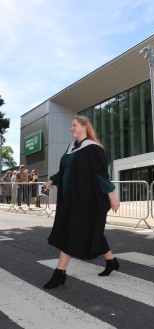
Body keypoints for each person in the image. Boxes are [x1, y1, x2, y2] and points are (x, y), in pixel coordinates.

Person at [42, 115, 120, 289]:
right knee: (89, 231)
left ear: (84, 127)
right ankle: (111, 261)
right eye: (71, 126)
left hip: (86, 198)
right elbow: (63, 171)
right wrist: (51, 181)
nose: (71, 128)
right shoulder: (71, 148)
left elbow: (101, 175)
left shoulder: (92, 148)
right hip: (70, 198)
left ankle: (59, 272)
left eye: (74, 125)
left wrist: (112, 196)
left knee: (72, 231)